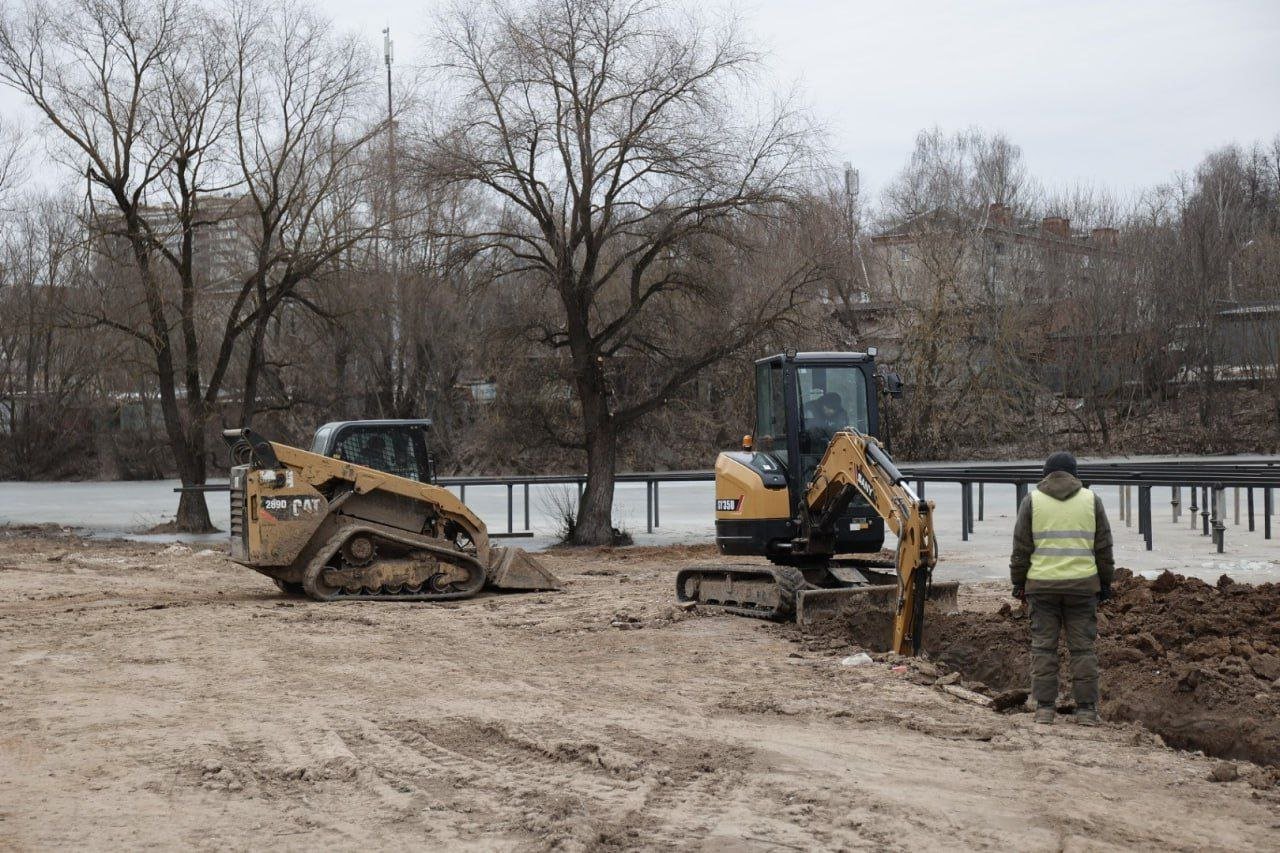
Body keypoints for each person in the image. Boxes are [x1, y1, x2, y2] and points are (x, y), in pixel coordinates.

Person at [1010, 451, 1115, 726]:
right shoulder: (1092, 501)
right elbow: (1103, 548)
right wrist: (1105, 583)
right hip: (1082, 588)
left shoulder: (1032, 500)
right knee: (1083, 649)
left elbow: (1021, 550)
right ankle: (1087, 711)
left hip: (1042, 588)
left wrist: (1018, 583)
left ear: (1046, 474)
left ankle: (1045, 709)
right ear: (1074, 474)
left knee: (1044, 648)